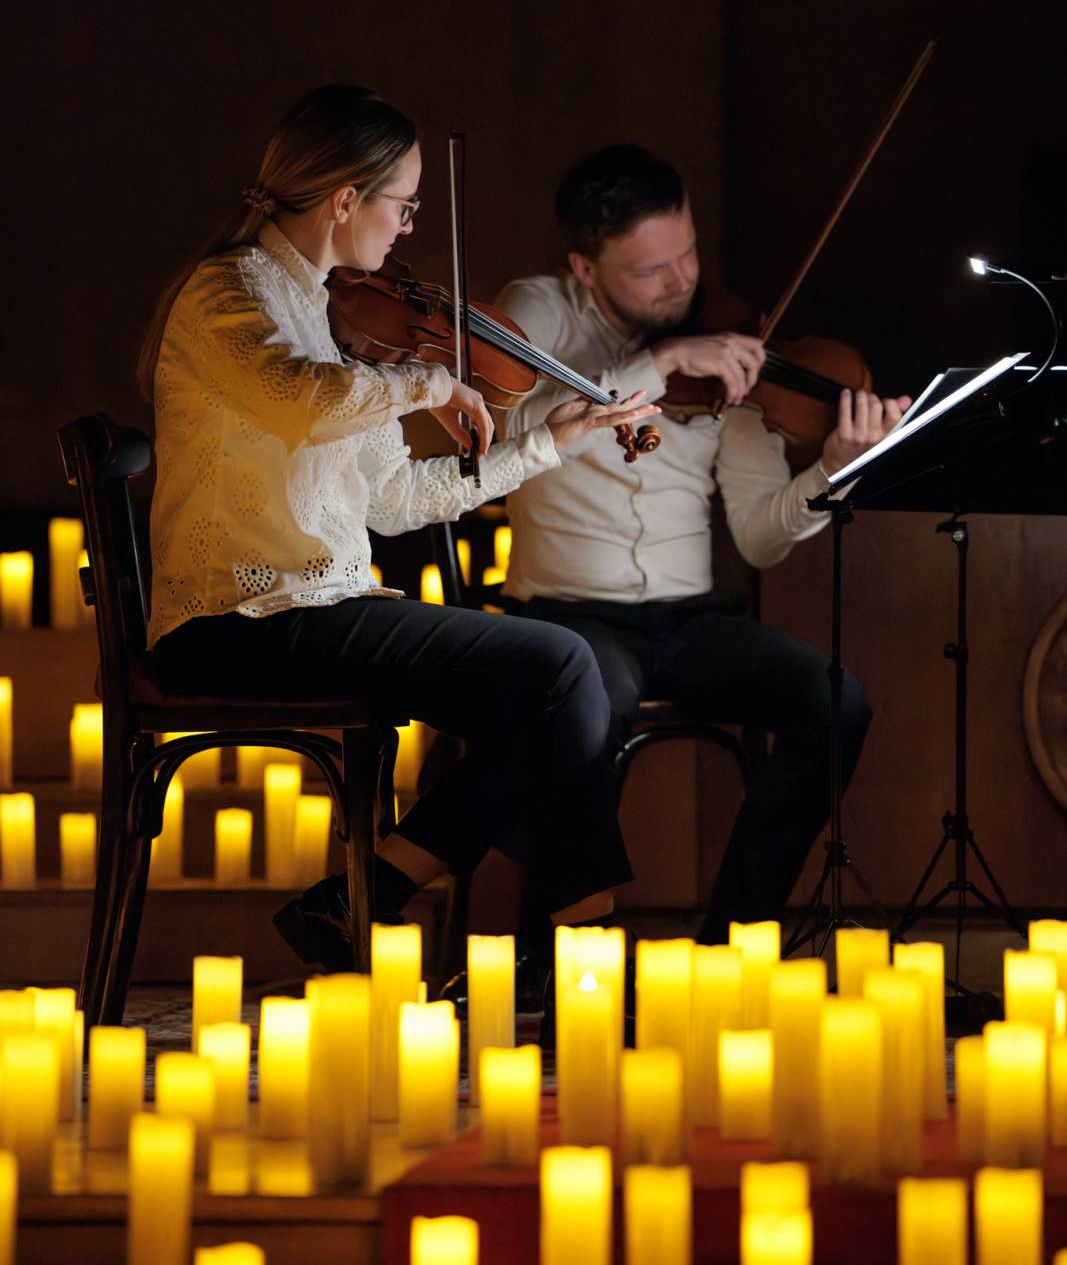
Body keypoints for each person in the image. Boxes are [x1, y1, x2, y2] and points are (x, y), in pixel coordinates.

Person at [139, 87, 658, 969]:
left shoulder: (336, 313)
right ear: (346, 200)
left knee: (560, 693)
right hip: (235, 620)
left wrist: (547, 444)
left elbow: (392, 500)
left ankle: (374, 902)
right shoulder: (227, 294)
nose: (410, 227)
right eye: (403, 204)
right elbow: (298, 402)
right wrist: (432, 386)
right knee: (562, 667)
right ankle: (557, 946)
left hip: (323, 608)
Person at [494, 143, 911, 944]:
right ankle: (565, 959)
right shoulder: (539, 312)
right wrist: (658, 362)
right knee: (581, 705)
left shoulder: (728, 343)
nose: (680, 282)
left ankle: (733, 941)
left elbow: (758, 538)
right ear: (585, 268)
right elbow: (517, 431)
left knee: (834, 703)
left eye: (685, 253)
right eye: (650, 271)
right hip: (566, 618)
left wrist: (829, 471)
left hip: (687, 621)